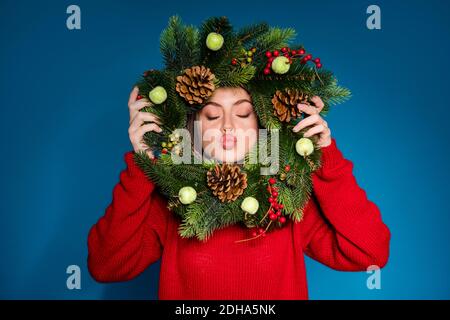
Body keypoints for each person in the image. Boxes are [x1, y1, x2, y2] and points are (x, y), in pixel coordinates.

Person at [87, 85, 391, 299]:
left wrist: (325, 157)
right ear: (192, 129)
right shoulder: (171, 201)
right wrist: (142, 166)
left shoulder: (288, 198)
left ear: (262, 126)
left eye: (243, 114)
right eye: (211, 115)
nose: (228, 127)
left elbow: (371, 253)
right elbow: (105, 266)